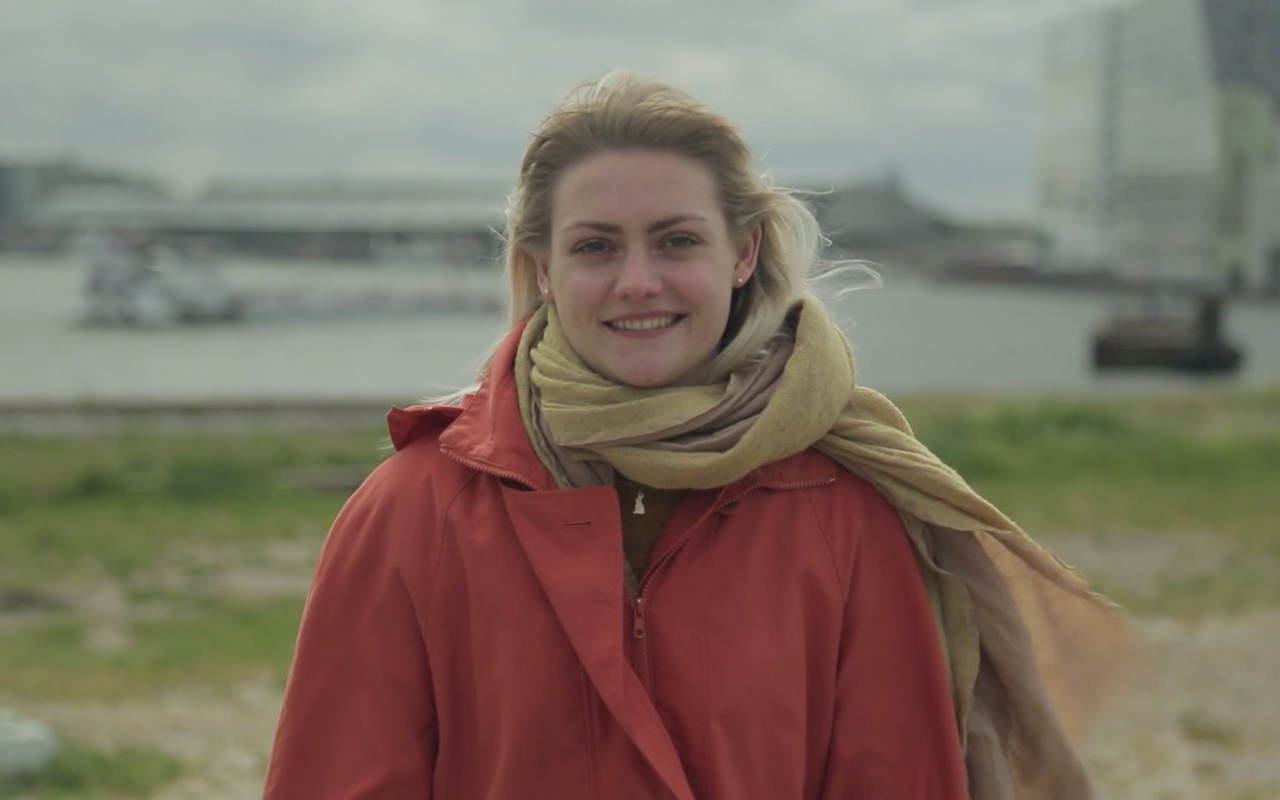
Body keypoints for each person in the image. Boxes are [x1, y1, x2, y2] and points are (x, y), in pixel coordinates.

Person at [263, 73, 1130, 799]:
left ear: (743, 252)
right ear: (542, 267)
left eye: (677, 241)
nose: (639, 282)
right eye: (596, 247)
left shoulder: (847, 511)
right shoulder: (413, 512)